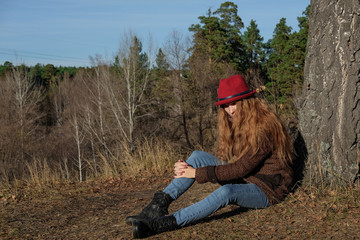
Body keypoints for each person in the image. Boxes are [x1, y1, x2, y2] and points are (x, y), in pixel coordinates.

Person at [126, 74, 294, 239]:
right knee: (197, 156)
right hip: (249, 178)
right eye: (226, 106)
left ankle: (163, 223)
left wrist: (196, 173)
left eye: (234, 104)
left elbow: (240, 168)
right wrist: (185, 168)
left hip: (268, 189)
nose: (230, 110)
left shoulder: (264, 127)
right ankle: (157, 206)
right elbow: (238, 165)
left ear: (246, 101)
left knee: (227, 192)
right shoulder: (243, 121)